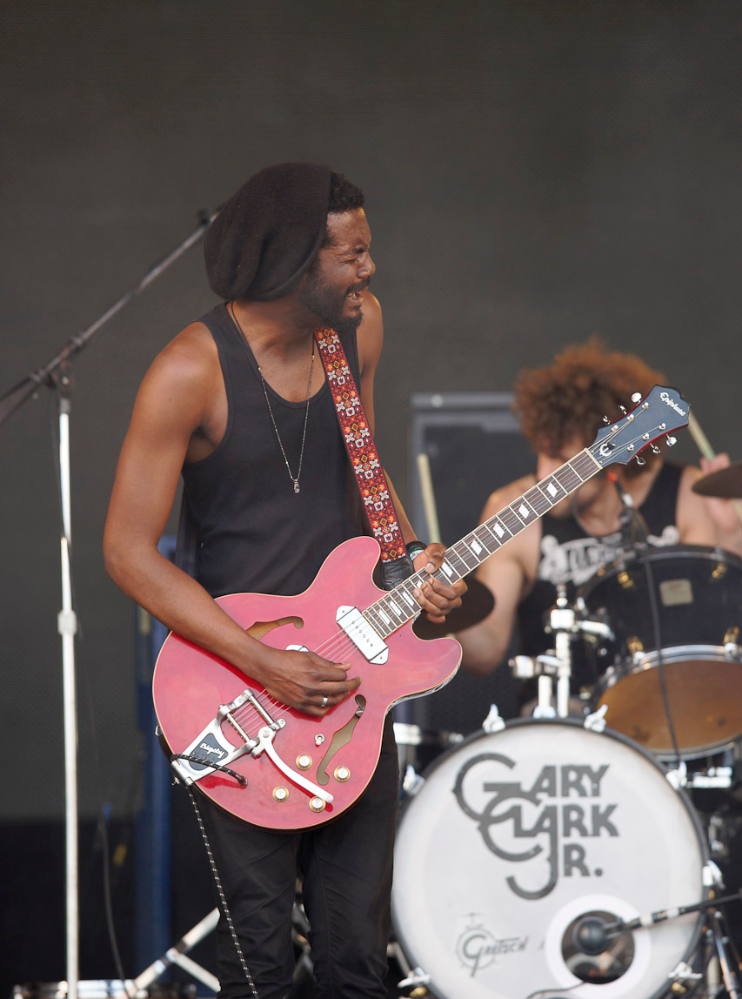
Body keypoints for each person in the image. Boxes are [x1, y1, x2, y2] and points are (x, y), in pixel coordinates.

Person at [103, 162, 465, 999]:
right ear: (294, 261)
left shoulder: (358, 329)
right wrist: (264, 663)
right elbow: (127, 551)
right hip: (237, 689)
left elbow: (365, 471)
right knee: (257, 963)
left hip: (354, 676)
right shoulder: (189, 371)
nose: (370, 269)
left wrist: (410, 562)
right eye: (352, 254)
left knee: (357, 960)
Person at [455, 338, 742, 679]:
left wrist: (731, 536)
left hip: (671, 695)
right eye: (544, 454)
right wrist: (444, 611)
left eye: (562, 461)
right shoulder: (513, 510)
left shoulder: (684, 494)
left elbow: (715, 624)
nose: (545, 474)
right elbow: (485, 653)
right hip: (558, 706)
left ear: (612, 462)